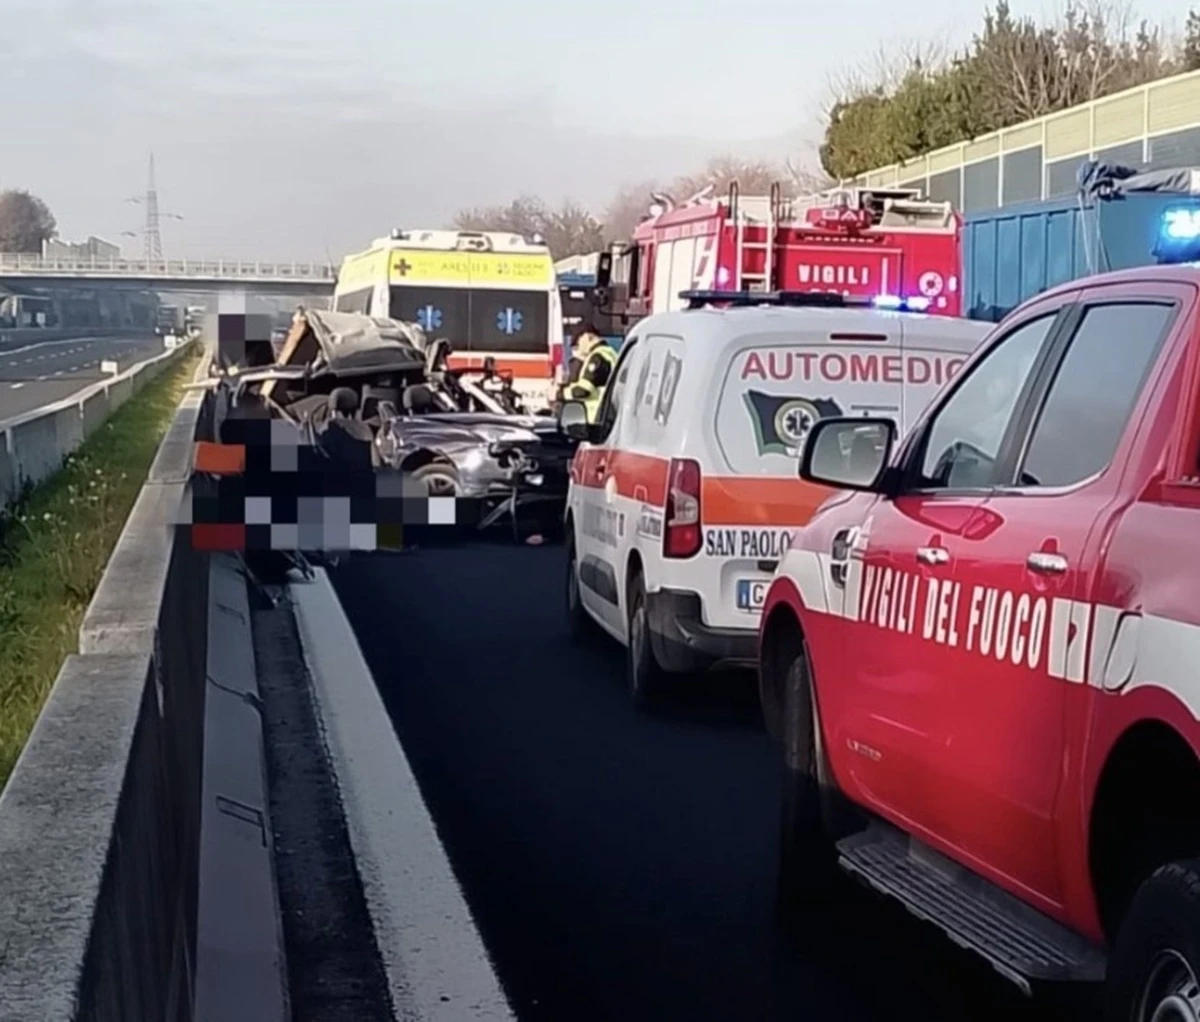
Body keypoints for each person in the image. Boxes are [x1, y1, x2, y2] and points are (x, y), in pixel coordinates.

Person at [557, 330, 617, 422]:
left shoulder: (597, 357)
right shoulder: (611, 353)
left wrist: (559, 394)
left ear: (587, 337)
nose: (579, 347)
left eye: (579, 342)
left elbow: (584, 390)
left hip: (597, 417)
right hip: (607, 415)